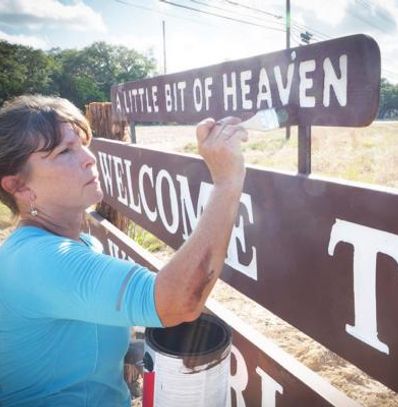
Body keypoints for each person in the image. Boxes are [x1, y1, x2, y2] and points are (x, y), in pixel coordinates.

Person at [0, 94, 248, 405]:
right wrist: (227, 181)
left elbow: (71, 347)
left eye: (81, 144)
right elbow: (178, 300)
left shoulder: (82, 244)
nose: (89, 158)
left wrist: (142, 353)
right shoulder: (38, 261)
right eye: (65, 151)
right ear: (18, 186)